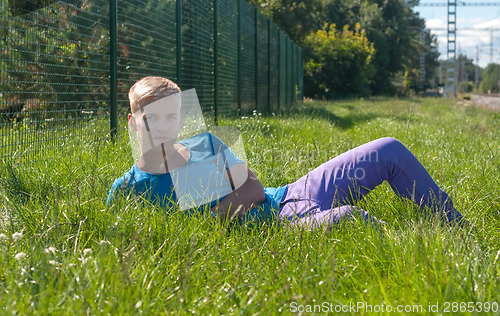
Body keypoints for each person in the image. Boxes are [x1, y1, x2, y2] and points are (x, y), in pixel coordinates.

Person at [107, 76, 463, 229]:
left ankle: (457, 228)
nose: (165, 126)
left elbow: (254, 190)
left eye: (172, 116)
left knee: (389, 149)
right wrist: (221, 207)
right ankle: (413, 248)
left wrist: (208, 209)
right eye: (153, 119)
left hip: (292, 194)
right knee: (350, 218)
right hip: (282, 227)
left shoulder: (205, 145)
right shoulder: (127, 190)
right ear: (134, 122)